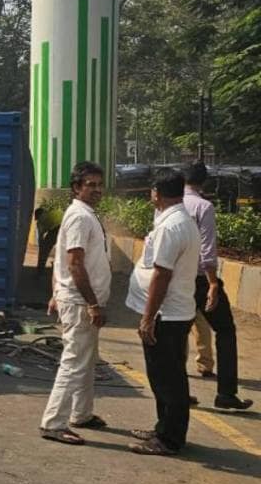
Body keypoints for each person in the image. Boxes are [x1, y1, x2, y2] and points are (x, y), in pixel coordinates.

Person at [126, 168, 201, 456]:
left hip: (167, 316)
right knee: (165, 376)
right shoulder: (179, 221)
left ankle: (170, 438)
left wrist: (148, 317)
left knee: (168, 378)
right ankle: (163, 427)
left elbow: (161, 274)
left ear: (156, 193)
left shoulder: (172, 227)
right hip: (173, 312)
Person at [39, 162, 111, 446]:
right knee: (74, 363)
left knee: (86, 360)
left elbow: (59, 260)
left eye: (98, 184)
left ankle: (81, 414)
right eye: (90, 185)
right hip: (81, 302)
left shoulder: (83, 214)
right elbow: (75, 263)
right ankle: (53, 423)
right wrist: (92, 303)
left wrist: (56, 291)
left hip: (76, 298)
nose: (96, 190)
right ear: (76, 188)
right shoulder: (80, 217)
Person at [182, 162, 253, 410]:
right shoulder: (204, 206)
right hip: (200, 279)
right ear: (204, 182)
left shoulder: (170, 205)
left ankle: (179, 391)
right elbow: (207, 250)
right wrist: (213, 283)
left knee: (177, 332)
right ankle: (225, 393)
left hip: (176, 279)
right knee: (225, 330)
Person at [35, 206, 62, 278]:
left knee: (44, 250)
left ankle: (40, 271)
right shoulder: (55, 211)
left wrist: (41, 248)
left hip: (57, 228)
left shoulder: (40, 222)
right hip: (64, 226)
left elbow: (40, 238)